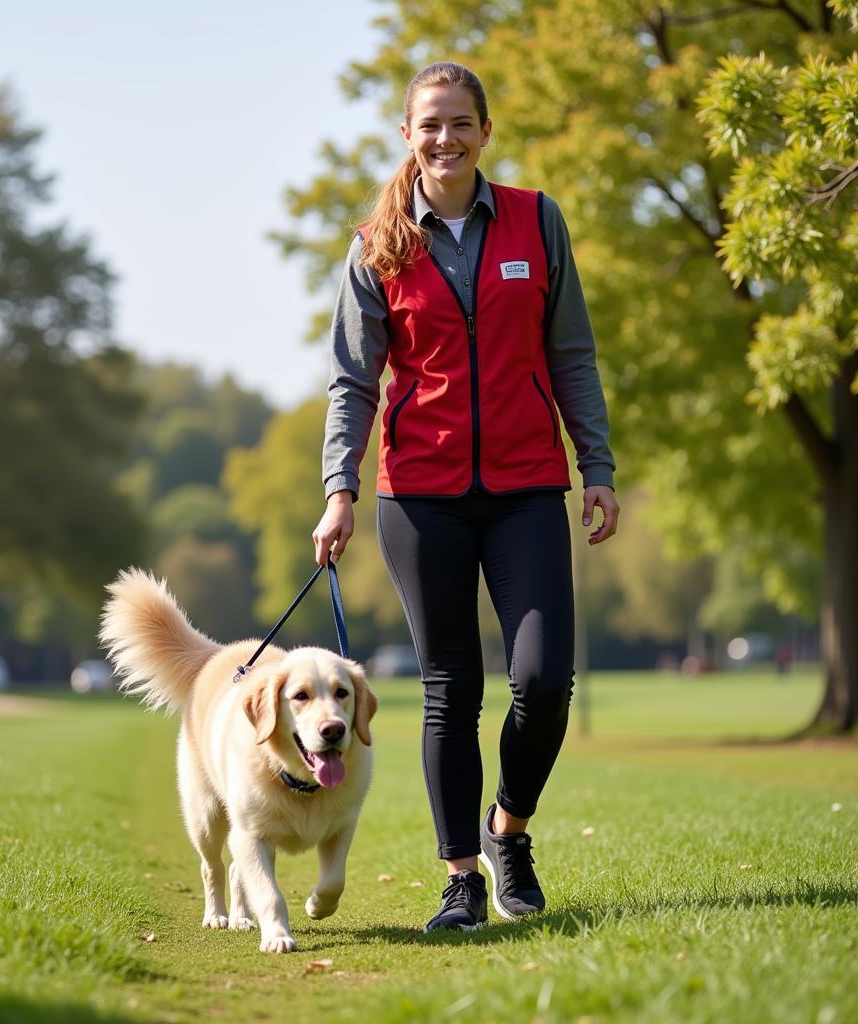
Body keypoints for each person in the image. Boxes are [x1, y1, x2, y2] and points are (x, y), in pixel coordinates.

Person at [312, 61, 619, 933]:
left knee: (543, 679)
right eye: (429, 125)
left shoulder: (535, 219)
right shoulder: (377, 244)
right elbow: (352, 382)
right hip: (423, 494)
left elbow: (572, 354)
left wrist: (595, 466)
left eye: (460, 123)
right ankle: (459, 880)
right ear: (406, 136)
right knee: (451, 687)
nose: (444, 139)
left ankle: (507, 831)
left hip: (527, 483)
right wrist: (340, 488)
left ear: (485, 130)